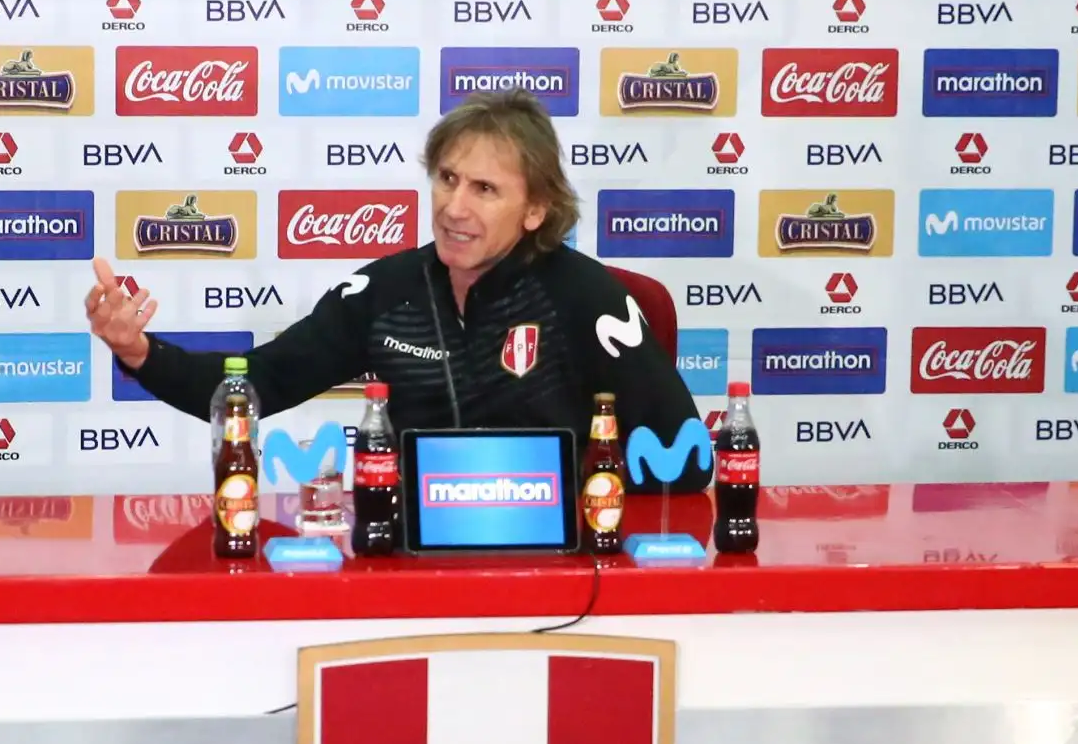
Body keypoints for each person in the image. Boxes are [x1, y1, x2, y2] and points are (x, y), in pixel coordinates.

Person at [84, 89, 710, 492]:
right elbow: (253, 386)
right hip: (410, 556)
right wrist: (140, 352)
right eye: (446, 179)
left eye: (484, 189)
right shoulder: (385, 291)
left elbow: (687, 460)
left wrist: (569, 492)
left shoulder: (585, 298)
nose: (454, 207)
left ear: (536, 210)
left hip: (558, 564)